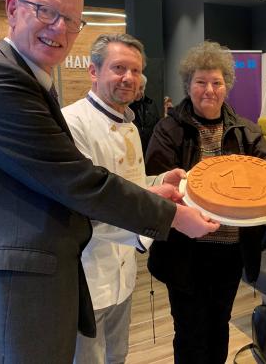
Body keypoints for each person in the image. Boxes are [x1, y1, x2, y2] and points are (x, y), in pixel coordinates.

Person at [0, 0, 217, 364]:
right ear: (13, 10)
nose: (59, 28)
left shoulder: (36, 84)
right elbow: (77, 182)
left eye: (71, 20)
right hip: (3, 288)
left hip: (43, 279)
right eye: (46, 12)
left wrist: (153, 189)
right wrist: (172, 216)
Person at [145, 41, 266, 364]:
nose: (209, 90)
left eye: (217, 82)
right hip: (186, 252)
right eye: (201, 82)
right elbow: (157, 183)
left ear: (227, 86)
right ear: (188, 85)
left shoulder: (246, 130)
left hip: (231, 251)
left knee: (219, 325)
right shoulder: (169, 129)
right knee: (190, 331)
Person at [62, 33, 184, 364]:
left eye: (135, 71)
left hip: (123, 275)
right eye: (118, 68)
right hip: (87, 275)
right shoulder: (71, 124)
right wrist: (161, 217)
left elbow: (130, 187)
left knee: (117, 356)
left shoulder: (129, 125)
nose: (128, 78)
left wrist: (160, 180)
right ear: (93, 71)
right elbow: (85, 205)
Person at [129, 73, 161, 153]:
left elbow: (158, 126)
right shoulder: (123, 107)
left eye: (141, 88)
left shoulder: (151, 104)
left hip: (149, 151)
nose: (139, 92)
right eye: (136, 88)